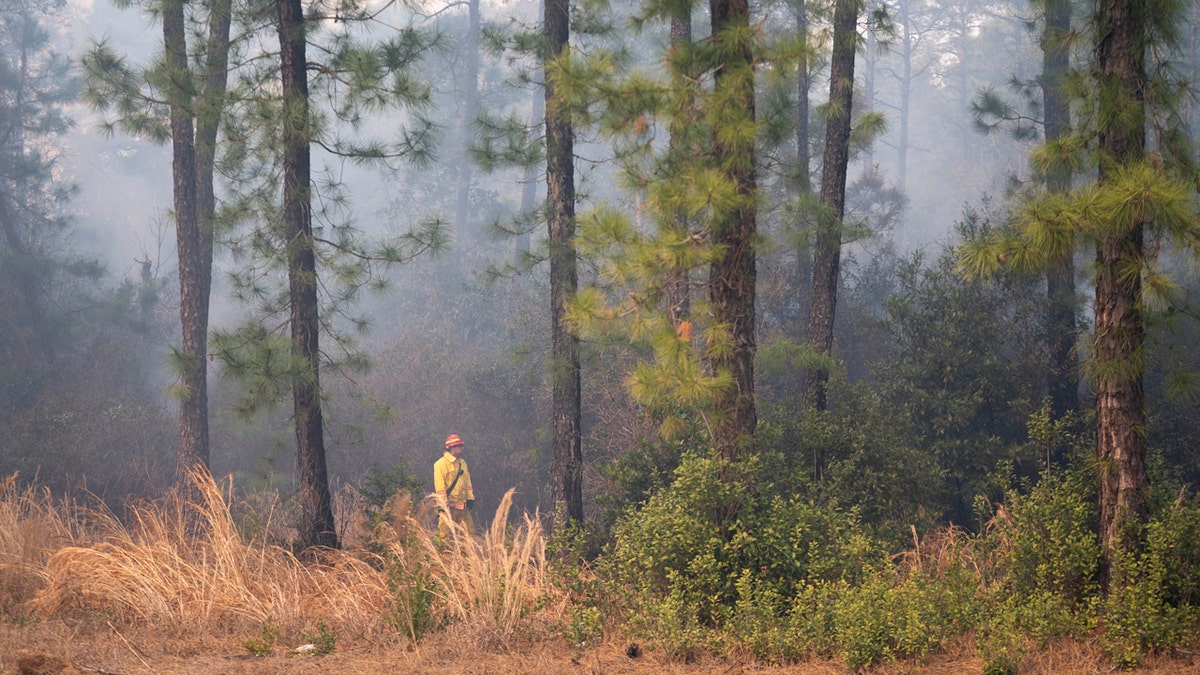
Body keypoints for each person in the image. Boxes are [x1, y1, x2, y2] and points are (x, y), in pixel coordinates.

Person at [433, 433, 475, 540]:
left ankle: (466, 555)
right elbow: (440, 486)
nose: (462, 448)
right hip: (448, 508)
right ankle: (443, 555)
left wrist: (470, 498)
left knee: (469, 534)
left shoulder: (463, 463)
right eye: (459, 446)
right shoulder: (440, 464)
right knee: (444, 535)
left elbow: (468, 482)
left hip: (462, 507)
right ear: (452, 448)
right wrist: (443, 504)